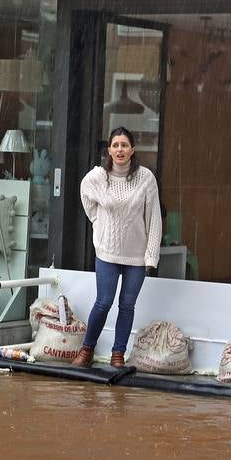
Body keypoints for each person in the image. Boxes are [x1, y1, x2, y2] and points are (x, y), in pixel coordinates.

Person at [72, 127, 163, 369]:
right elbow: (85, 195)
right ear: (109, 150)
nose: (120, 149)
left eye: (124, 145)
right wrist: (97, 221)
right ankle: (87, 349)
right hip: (106, 252)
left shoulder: (146, 178)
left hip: (136, 255)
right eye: (115, 145)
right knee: (103, 302)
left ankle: (118, 354)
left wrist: (151, 255)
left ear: (132, 149)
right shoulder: (98, 177)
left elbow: (154, 218)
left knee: (127, 305)